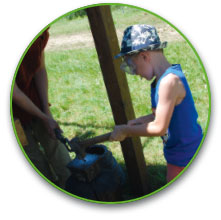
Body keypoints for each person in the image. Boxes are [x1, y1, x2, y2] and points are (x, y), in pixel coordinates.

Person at [110, 24, 203, 182]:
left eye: (133, 67)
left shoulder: (169, 82)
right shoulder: (161, 80)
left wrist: (126, 130)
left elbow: (160, 127)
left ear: (145, 56)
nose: (136, 74)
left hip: (187, 157)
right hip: (177, 154)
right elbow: (163, 114)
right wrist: (142, 121)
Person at [12, 29, 72, 188]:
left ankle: (74, 188)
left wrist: (46, 111)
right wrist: (44, 117)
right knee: (31, 156)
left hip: (33, 97)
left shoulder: (41, 34)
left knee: (55, 143)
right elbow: (13, 92)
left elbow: (40, 69)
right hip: (11, 113)